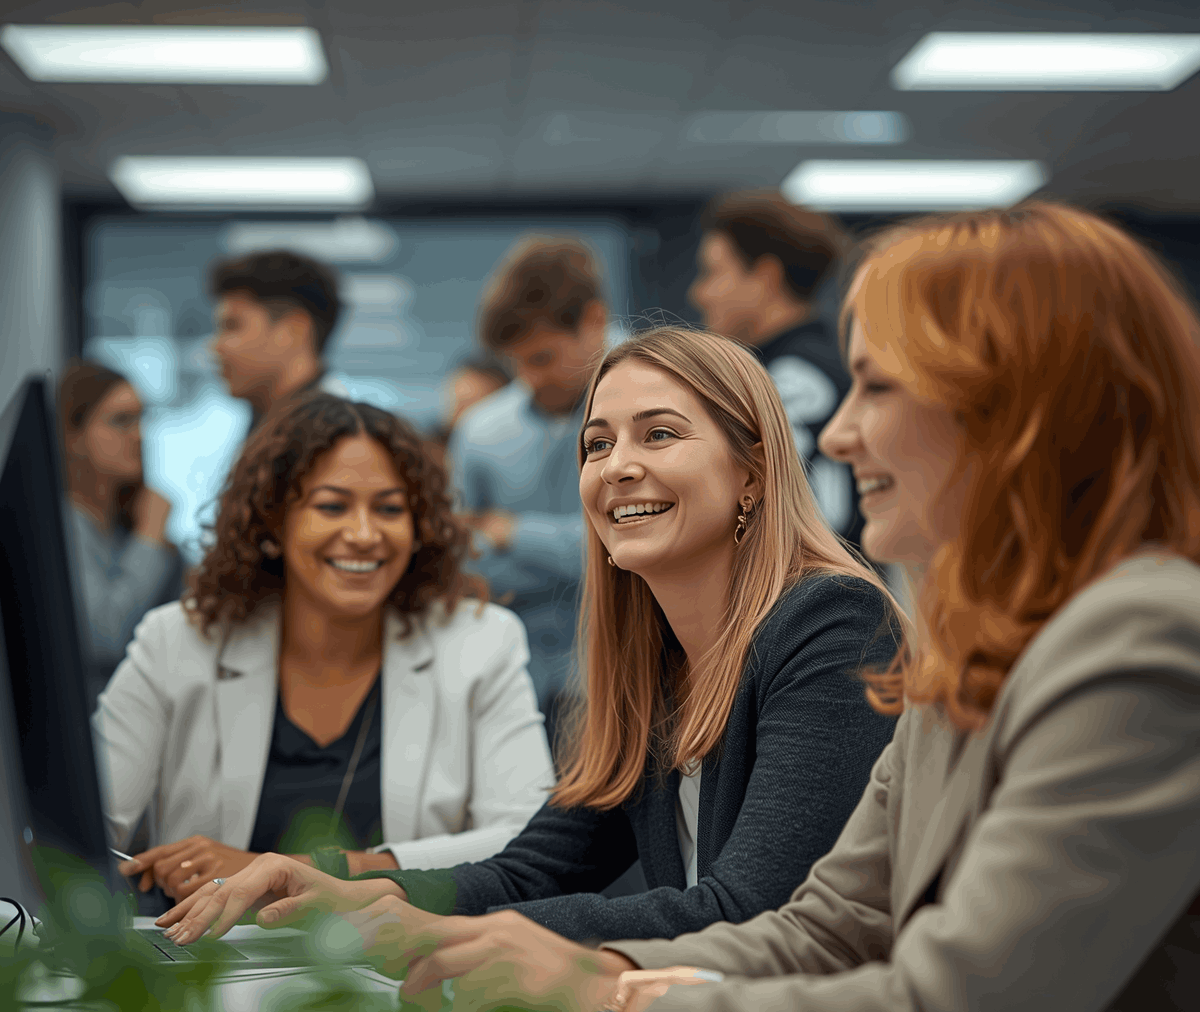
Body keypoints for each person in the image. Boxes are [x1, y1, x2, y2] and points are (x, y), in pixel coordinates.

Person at [288, 205, 1200, 1012]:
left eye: (879, 387)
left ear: (1021, 407)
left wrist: (607, 1001)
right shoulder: (966, 659)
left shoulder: (1139, 636)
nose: (843, 432)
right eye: (598, 442)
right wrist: (588, 968)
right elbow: (825, 924)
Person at [158, 327, 900, 955]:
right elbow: (527, 874)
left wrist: (429, 931)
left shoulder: (832, 624)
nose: (618, 466)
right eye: (597, 443)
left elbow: (751, 910)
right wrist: (331, 884)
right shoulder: (656, 662)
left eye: (660, 434)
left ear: (755, 469)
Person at [99, 395, 554, 904]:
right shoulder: (177, 642)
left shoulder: (480, 642)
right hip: (205, 963)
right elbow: (77, 833)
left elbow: (529, 842)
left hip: (401, 962)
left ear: (419, 526)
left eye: (388, 509)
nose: (363, 535)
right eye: (331, 506)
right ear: (272, 524)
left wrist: (310, 871)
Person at [447, 237, 609, 747]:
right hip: (515, 683)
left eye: (543, 357)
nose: (530, 379)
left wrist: (513, 534)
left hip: (636, 682)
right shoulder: (480, 432)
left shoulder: (669, 405)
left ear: (594, 321)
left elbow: (652, 550)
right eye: (518, 363)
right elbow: (462, 562)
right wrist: (577, 550)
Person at [689, 191, 862, 547]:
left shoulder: (797, 376)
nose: (698, 293)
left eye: (713, 272)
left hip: (818, 595)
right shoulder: (810, 360)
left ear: (765, 277)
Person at [59, 360, 184, 712]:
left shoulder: (127, 524)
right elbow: (105, 637)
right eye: (120, 421)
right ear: (74, 438)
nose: (139, 434)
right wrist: (149, 538)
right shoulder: (65, 525)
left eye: (141, 419)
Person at [210, 250, 346, 428]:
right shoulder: (272, 423)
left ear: (293, 330)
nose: (216, 346)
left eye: (232, 326)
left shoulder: (337, 438)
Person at [425, 353, 513, 473]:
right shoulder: (425, 452)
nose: (459, 415)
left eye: (471, 406)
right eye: (458, 402)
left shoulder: (505, 459)